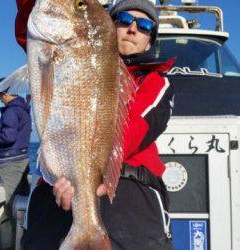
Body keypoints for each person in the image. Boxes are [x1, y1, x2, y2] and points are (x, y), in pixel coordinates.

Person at [15, 0, 175, 249]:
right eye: (123, 20)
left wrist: (85, 184)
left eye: (144, 25)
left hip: (127, 194)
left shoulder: (156, 82)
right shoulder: (57, 39)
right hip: (55, 187)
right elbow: (37, 19)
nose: (132, 28)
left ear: (151, 41)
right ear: (107, 27)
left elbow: (132, 132)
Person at [0, 82, 32, 250]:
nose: (1, 99)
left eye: (1, 96)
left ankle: (7, 247)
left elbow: (8, 136)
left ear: (7, 93)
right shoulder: (23, 109)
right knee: (20, 206)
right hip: (20, 163)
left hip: (11, 166)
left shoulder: (11, 111)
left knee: (9, 212)